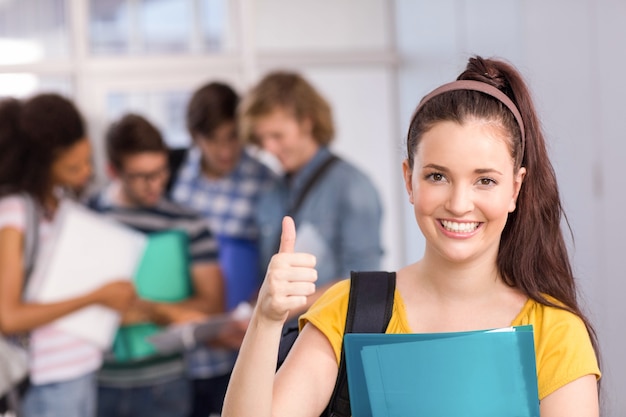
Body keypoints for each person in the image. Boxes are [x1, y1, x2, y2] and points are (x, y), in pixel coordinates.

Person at [222, 56, 601, 417]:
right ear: (409, 179)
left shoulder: (555, 331)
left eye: (485, 180)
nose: (458, 203)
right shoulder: (349, 310)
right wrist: (267, 319)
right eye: (437, 176)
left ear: (515, 190)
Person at [0, 93, 136, 417]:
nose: (86, 173)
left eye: (88, 160)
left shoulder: (60, 204)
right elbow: (9, 316)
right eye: (73, 167)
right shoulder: (16, 212)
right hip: (47, 380)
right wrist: (96, 297)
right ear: (42, 165)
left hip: (82, 368)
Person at [87, 114, 226, 417]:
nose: (154, 184)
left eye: (161, 172)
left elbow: (212, 307)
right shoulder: (86, 219)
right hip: (95, 381)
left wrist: (146, 309)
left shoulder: (189, 223)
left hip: (165, 383)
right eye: (140, 175)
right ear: (113, 171)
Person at [167, 81, 276, 417]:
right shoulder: (173, 173)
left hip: (236, 344)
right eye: (213, 140)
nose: (225, 150)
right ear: (194, 136)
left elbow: (274, 260)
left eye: (232, 137)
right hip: (177, 348)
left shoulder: (265, 183)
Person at [238, 71, 384, 321]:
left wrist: (275, 311)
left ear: (307, 122)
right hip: (276, 340)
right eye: (262, 139)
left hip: (323, 342)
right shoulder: (272, 192)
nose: (269, 149)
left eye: (277, 136)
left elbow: (362, 282)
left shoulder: (353, 187)